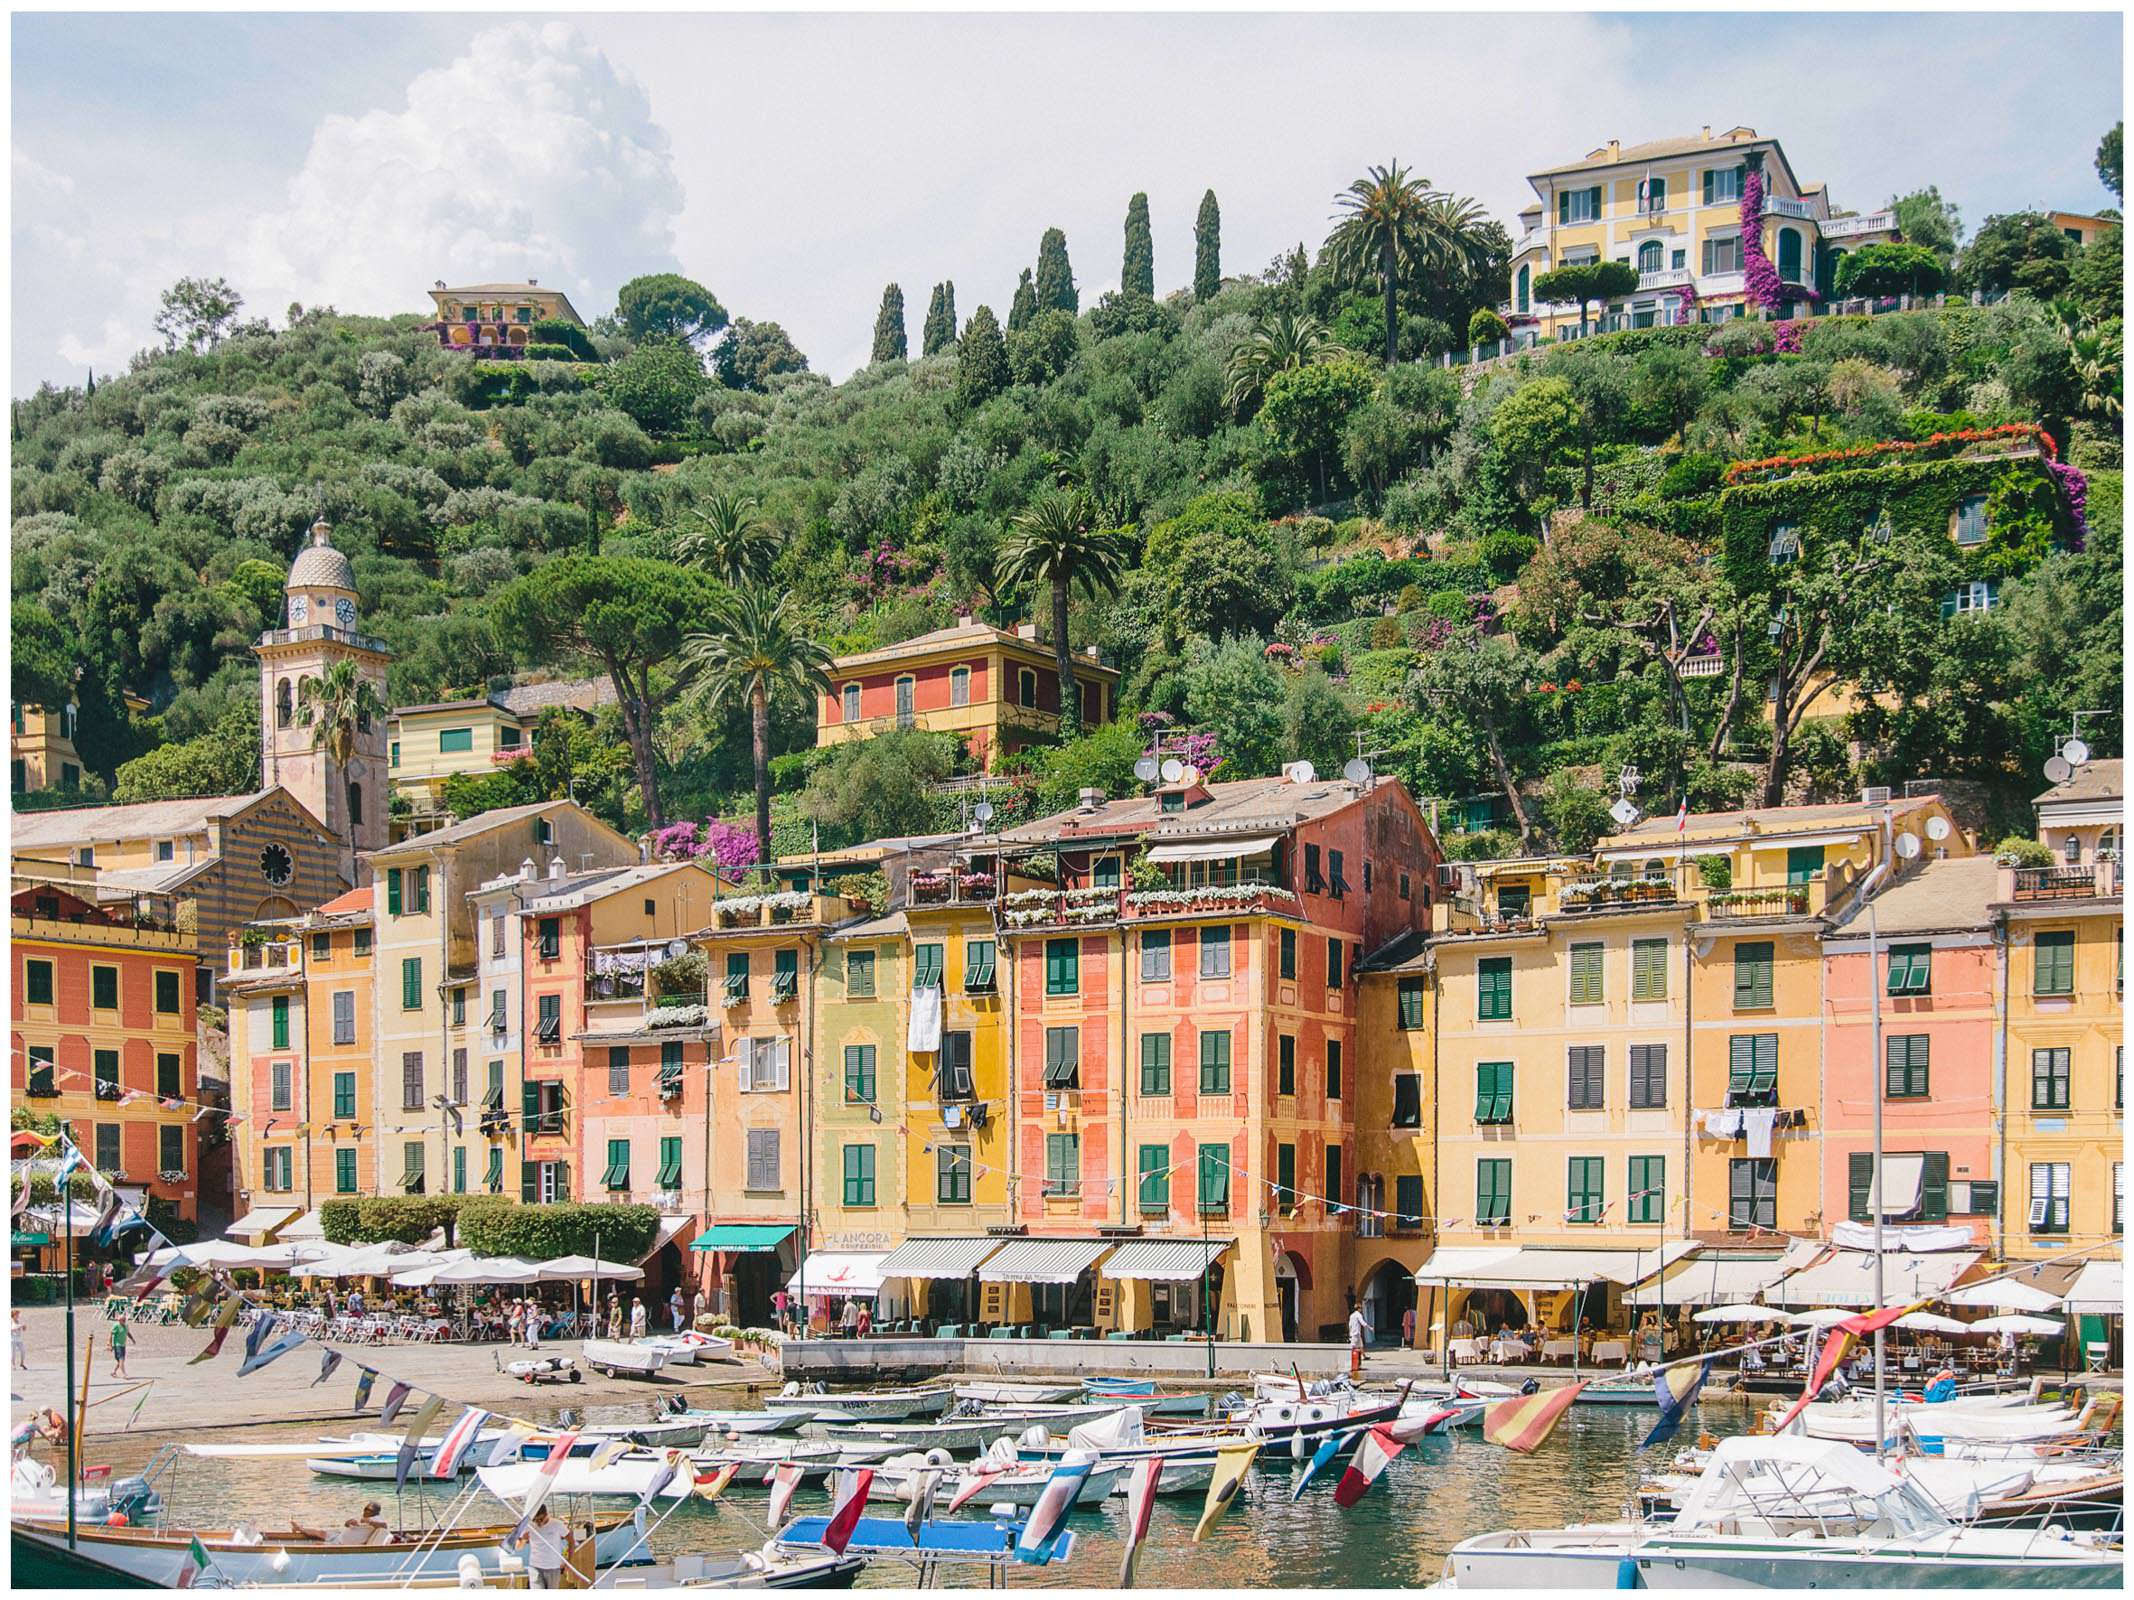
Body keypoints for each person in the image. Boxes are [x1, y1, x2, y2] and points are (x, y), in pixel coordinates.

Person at [514, 1503, 569, 1589]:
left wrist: (567, 1561)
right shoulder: (528, 1526)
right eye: (535, 1520)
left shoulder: (557, 1524)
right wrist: (524, 1539)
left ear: (547, 1515)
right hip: (535, 1567)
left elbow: (572, 1541)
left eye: (540, 1519)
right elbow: (518, 1547)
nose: (538, 1522)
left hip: (553, 1567)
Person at [1347, 1304, 1369, 1374]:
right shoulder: (1358, 1315)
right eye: (1361, 1308)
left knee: (1360, 1345)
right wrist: (1369, 1327)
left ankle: (1364, 1356)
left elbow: (1349, 1325)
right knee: (1354, 1347)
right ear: (1358, 1308)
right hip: (1356, 1333)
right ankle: (1352, 1360)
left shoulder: (1351, 1315)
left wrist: (1349, 1332)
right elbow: (1362, 1323)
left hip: (1353, 1333)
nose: (1361, 1309)